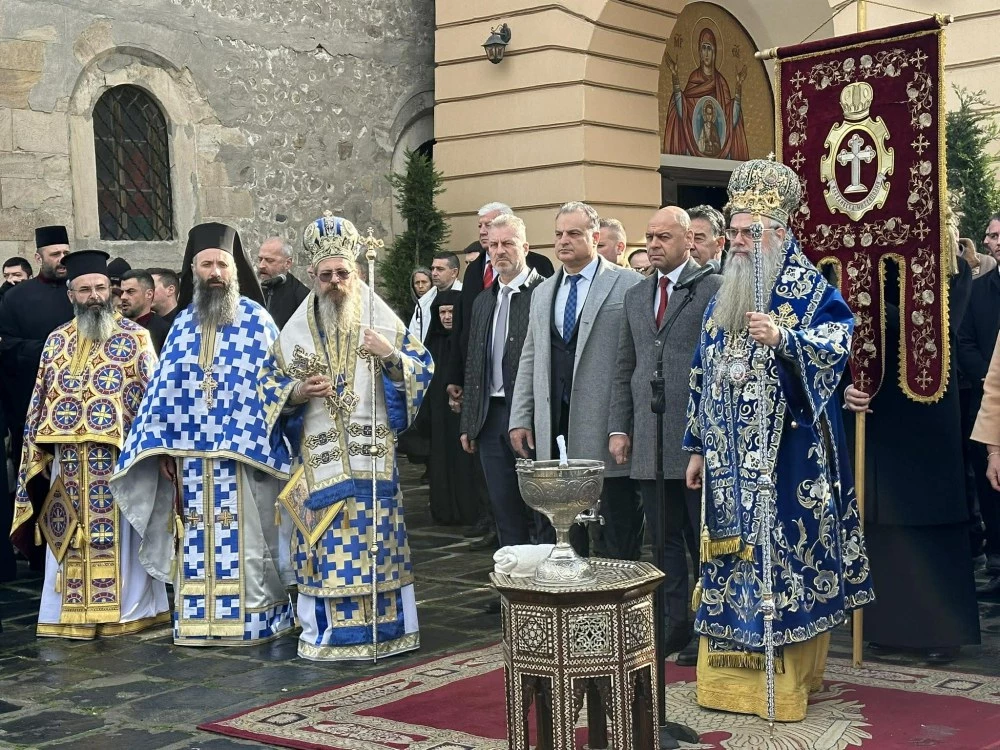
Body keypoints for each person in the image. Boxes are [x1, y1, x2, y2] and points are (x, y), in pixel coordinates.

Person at [683, 158, 872, 722]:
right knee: (727, 561)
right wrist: (695, 445)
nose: (739, 242)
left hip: (787, 460)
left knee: (782, 560)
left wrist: (785, 336)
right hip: (726, 462)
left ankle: (789, 682)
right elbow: (702, 369)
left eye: (750, 233)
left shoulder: (808, 286)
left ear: (781, 233)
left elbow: (836, 342)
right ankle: (723, 681)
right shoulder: (725, 293)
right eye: (735, 232)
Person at [258, 213, 433, 661]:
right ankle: (327, 633)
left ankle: (389, 630)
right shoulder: (294, 331)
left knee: (379, 548)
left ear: (355, 272)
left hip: (372, 461)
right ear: (312, 276)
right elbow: (268, 388)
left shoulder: (380, 320)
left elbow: (422, 368)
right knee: (326, 550)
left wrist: (391, 355)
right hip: (320, 464)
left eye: (343, 273)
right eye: (326, 275)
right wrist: (296, 392)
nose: (335, 281)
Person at [111, 222, 294, 646]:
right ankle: (197, 621)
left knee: (249, 542)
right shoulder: (181, 326)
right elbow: (162, 392)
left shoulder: (257, 321)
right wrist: (159, 449)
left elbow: (273, 385)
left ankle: (257, 619)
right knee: (194, 540)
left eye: (221, 264)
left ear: (234, 269)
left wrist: (253, 436)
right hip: (190, 461)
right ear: (193, 270)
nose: (214, 272)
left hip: (242, 457)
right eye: (206, 264)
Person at [10, 249, 168, 638]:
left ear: (111, 291)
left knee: (120, 540)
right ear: (71, 295)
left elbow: (153, 401)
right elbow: (39, 402)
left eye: (101, 288)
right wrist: (35, 456)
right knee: (67, 535)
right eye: (85, 290)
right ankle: (70, 614)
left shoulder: (136, 339)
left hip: (118, 466)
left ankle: (127, 612)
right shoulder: (55, 342)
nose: (94, 296)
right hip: (67, 463)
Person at [847, 248, 979, 662]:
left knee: (930, 518)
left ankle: (941, 632)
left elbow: (938, 325)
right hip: (880, 402)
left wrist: (875, 318)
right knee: (885, 521)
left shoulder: (949, 267)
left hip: (927, 401)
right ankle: (892, 626)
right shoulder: (866, 257)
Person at [608, 206, 721, 667]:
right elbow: (623, 367)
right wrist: (619, 427)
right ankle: (672, 623)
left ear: (687, 242)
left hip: (693, 437)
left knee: (701, 540)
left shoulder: (710, 289)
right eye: (648, 237)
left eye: (663, 237)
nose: (653, 244)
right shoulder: (637, 296)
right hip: (648, 435)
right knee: (663, 539)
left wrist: (708, 438)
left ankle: (709, 626)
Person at [509, 202, 643, 558]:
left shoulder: (628, 283)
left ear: (595, 237)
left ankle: (619, 605)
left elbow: (636, 359)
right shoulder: (542, 292)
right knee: (565, 530)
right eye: (558, 234)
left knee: (616, 529)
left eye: (573, 233)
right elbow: (530, 356)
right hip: (554, 423)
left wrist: (625, 424)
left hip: (605, 426)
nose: (563, 241)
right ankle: (573, 599)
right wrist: (521, 417)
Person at [460, 214, 546, 554]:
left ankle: (547, 588)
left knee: (541, 508)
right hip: (490, 416)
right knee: (503, 508)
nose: (499, 251)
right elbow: (474, 363)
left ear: (525, 247)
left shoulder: (544, 293)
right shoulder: (484, 300)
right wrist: (469, 421)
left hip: (532, 415)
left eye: (507, 243)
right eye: (493, 245)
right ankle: (514, 590)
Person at [0, 226, 74, 461]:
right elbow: (7, 344)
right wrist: (51, 348)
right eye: (55, 254)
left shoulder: (79, 291)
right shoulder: (15, 297)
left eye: (65, 252)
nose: (62, 259)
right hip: (32, 397)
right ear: (38, 257)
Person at [960, 211, 1000, 587]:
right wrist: (991, 377)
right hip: (989, 402)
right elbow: (965, 340)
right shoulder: (980, 288)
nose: (994, 241)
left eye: (998, 234)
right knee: (990, 485)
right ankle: (996, 561)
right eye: (990, 235)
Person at [424, 289, 478, 526]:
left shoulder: (466, 341)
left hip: (464, 413)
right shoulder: (432, 343)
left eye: (451, 312)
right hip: (439, 416)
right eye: (442, 312)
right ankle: (444, 509)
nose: (446, 317)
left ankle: (470, 511)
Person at [662, 26, 749, 160]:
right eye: (704, 48)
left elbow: (730, 118)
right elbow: (683, 110)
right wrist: (675, 76)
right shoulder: (694, 77)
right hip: (692, 148)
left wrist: (738, 87)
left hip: (721, 154)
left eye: (710, 48)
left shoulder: (721, 82)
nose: (706, 53)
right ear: (699, 52)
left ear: (715, 52)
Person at [257, 237, 310, 330]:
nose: (261, 265)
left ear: (287, 264)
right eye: (260, 259)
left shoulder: (302, 297)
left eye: (269, 260)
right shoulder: (251, 289)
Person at [119, 269, 170, 354]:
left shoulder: (165, 332)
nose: (123, 297)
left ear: (149, 294)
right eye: (122, 292)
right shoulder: (113, 327)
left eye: (130, 292)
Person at [407, 267, 434, 341]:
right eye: (417, 282)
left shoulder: (433, 304)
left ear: (431, 283)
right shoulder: (419, 305)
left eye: (424, 282)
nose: (420, 286)